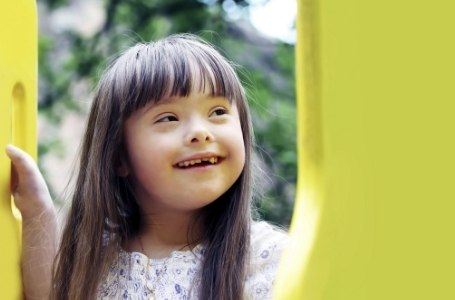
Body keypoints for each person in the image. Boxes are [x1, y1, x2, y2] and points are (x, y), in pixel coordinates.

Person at [6, 33, 288, 299]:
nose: (200, 132)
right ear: (119, 156)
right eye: (168, 118)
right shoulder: (96, 260)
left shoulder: (270, 256)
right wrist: (36, 211)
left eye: (218, 112)